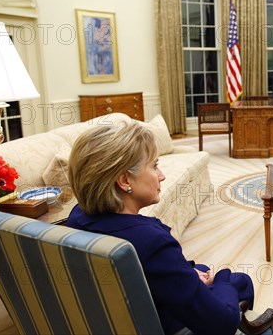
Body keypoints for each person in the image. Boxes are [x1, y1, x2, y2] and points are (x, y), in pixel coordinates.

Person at [66, 121, 254, 335]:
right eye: (154, 166)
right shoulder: (151, 242)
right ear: (125, 180)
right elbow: (221, 325)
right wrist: (222, 275)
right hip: (166, 323)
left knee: (201, 270)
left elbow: (150, 271)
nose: (162, 175)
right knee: (239, 282)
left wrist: (186, 272)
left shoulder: (76, 218)